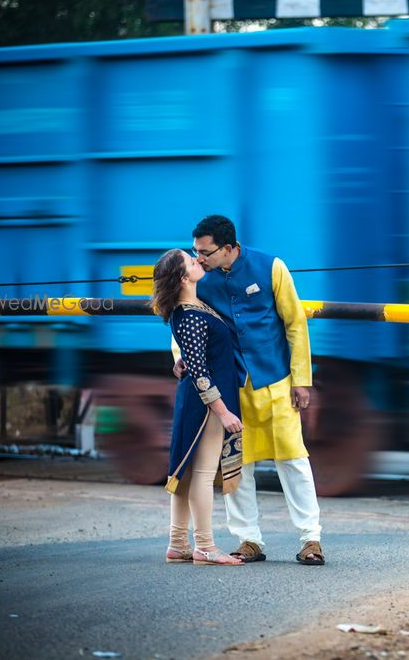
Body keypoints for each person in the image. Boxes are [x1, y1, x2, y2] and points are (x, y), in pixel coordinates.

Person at [173, 215, 325, 566]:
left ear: (228, 248)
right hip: (231, 387)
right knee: (236, 467)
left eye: (204, 252)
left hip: (276, 383)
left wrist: (302, 379)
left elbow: (295, 323)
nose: (198, 259)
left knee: (293, 461)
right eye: (195, 251)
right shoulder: (200, 280)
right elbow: (185, 321)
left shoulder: (271, 267)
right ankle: (248, 540)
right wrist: (180, 356)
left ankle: (311, 539)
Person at [152, 249, 246, 566]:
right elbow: (202, 375)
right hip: (205, 404)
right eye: (191, 261)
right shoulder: (189, 315)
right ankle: (205, 547)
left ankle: (178, 543)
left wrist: (183, 360)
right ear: (183, 277)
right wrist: (224, 412)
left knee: (187, 474)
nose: (198, 261)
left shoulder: (194, 307)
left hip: (196, 400)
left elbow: (196, 359)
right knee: (203, 475)